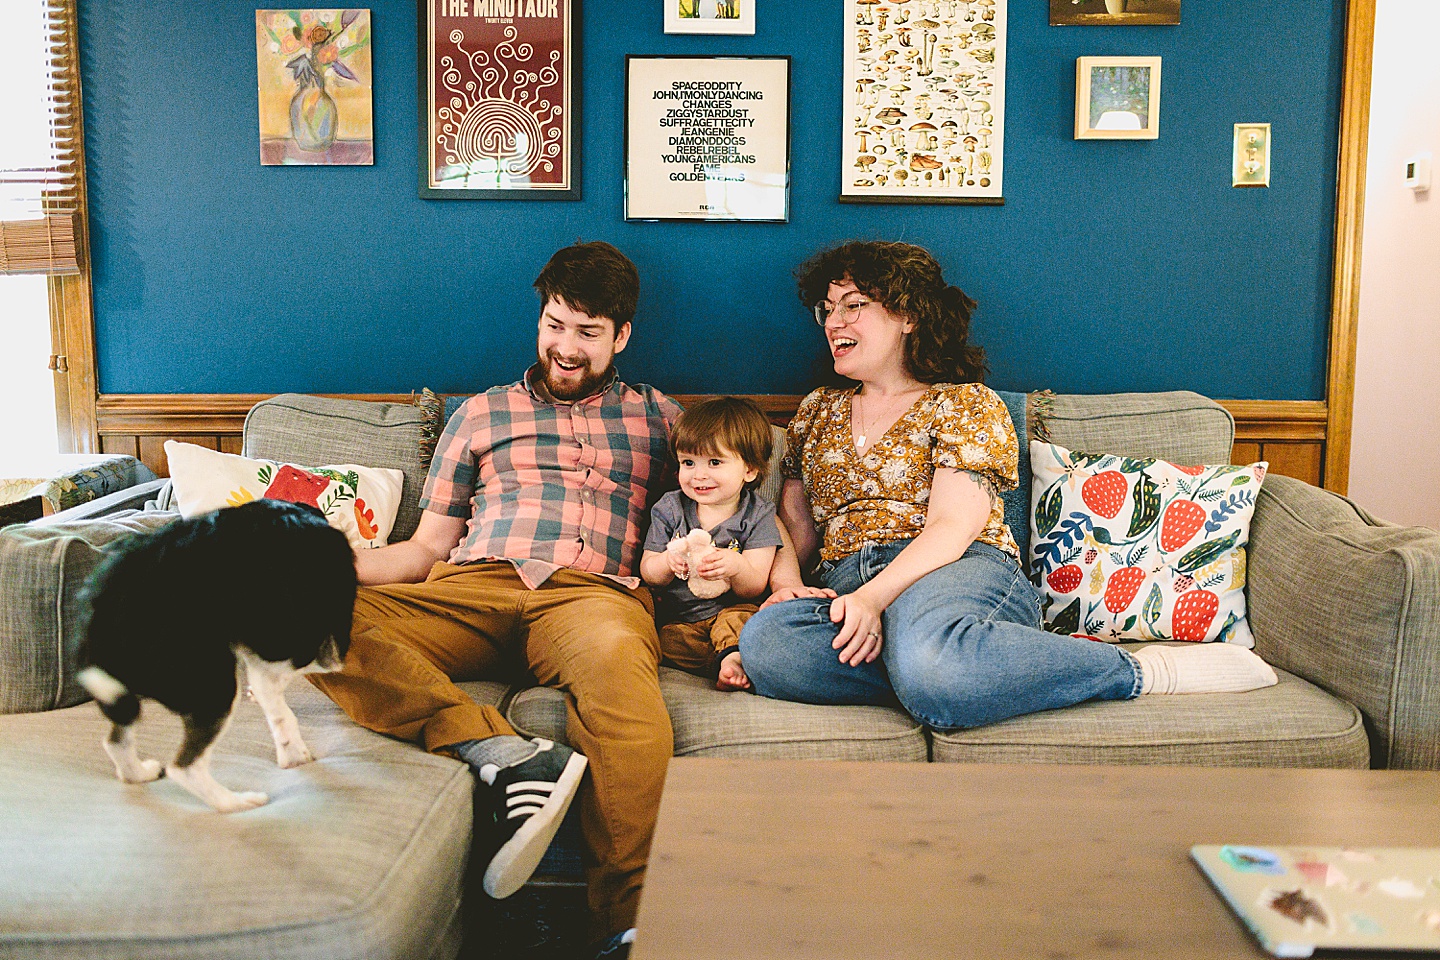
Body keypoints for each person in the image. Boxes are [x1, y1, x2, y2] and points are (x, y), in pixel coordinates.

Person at [309, 241, 681, 957]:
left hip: (591, 597)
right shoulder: (479, 414)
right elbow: (424, 550)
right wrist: (325, 563)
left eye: (587, 332)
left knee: (620, 681)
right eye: (554, 324)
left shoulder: (660, 417)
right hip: (472, 585)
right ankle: (498, 748)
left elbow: (717, 504)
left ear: (622, 336)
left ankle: (632, 925)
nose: (565, 348)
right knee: (302, 609)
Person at [738, 240, 1277, 727]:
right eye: (826, 310)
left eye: (852, 305)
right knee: (768, 644)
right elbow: (794, 528)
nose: (833, 322)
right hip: (846, 579)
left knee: (933, 657)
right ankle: (950, 669)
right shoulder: (817, 411)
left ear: (907, 314)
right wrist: (785, 587)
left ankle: (1136, 671)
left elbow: (953, 527)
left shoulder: (965, 402)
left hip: (955, 571)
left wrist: (875, 600)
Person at [639, 397, 783, 691]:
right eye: (688, 463)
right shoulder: (670, 508)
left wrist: (736, 566)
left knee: (743, 622)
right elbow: (648, 570)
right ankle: (722, 661)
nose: (699, 475)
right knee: (662, 640)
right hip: (682, 621)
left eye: (714, 462)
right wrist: (666, 563)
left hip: (732, 611)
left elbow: (754, 584)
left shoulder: (758, 514)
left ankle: (731, 658)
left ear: (750, 470)